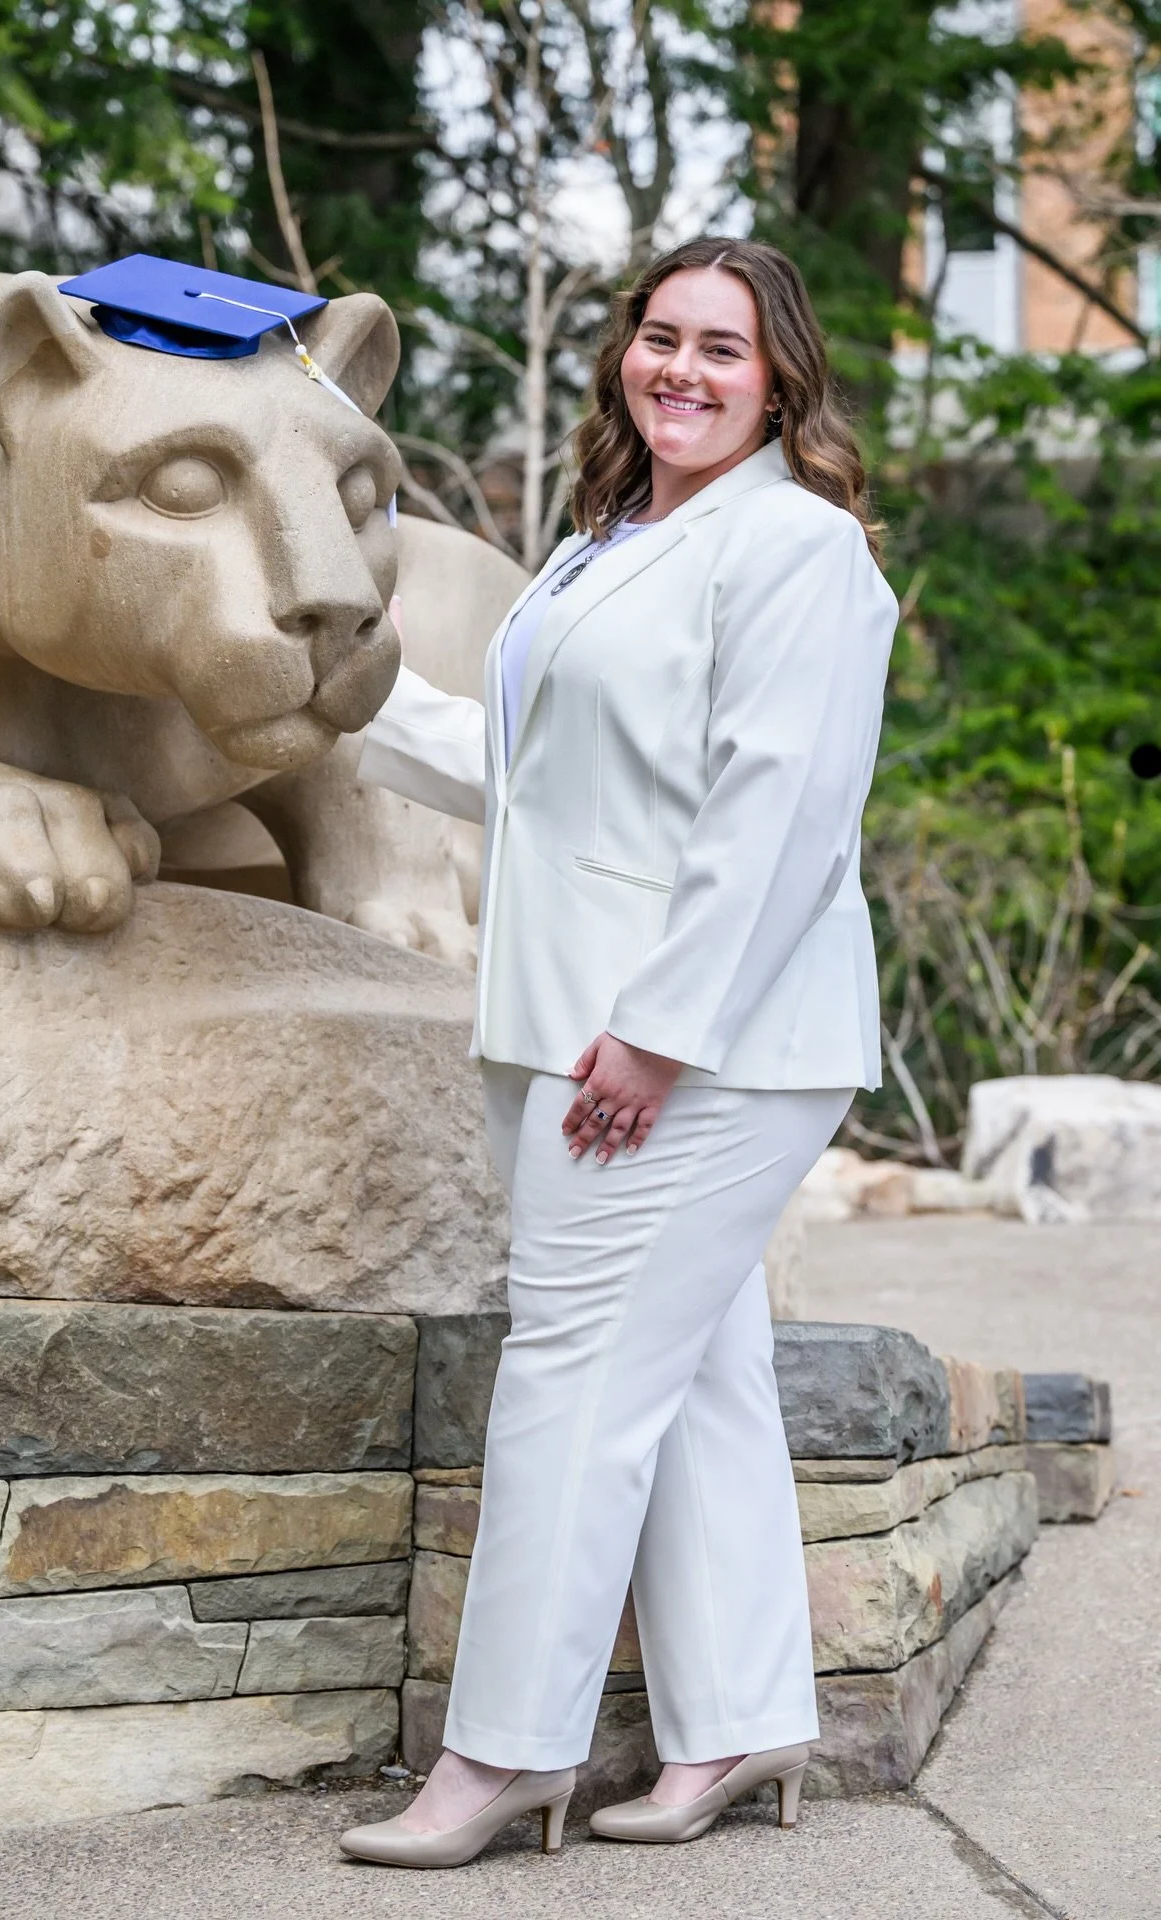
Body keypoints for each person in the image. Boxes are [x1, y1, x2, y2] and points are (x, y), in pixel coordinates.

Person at [339, 236, 898, 1870]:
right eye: (663, 338)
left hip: (697, 1050)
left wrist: (656, 1037)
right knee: (699, 1373)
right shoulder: (602, 547)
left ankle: (503, 1758)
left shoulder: (799, 550)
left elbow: (777, 815)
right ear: (626, 355)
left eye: (725, 350)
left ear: (780, 379)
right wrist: (327, 683)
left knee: (571, 1381)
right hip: (568, 1029)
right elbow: (527, 767)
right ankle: (736, 1721)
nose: (686, 371)